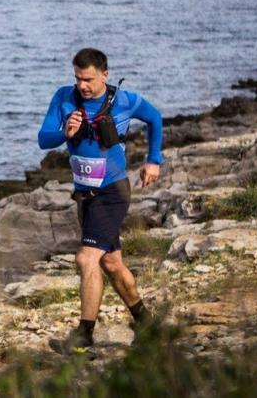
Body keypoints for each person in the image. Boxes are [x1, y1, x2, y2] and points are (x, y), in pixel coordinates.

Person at [37, 47, 164, 356]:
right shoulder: (64, 98)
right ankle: (146, 323)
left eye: (89, 79)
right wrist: (66, 133)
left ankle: (84, 335)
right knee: (111, 262)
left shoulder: (123, 100)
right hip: (85, 194)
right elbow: (44, 139)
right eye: (78, 78)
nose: (82, 85)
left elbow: (155, 118)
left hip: (113, 191)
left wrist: (153, 160)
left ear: (104, 75)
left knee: (86, 258)